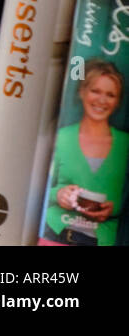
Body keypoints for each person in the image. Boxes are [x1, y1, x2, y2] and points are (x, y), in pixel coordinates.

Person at [42, 60, 127, 245]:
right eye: (95, 91)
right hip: (54, 233)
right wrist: (58, 194)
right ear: (82, 92)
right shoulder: (62, 137)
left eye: (110, 94)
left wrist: (112, 209)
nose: (102, 100)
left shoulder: (125, 144)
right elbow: (36, 187)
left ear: (118, 101)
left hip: (102, 240)